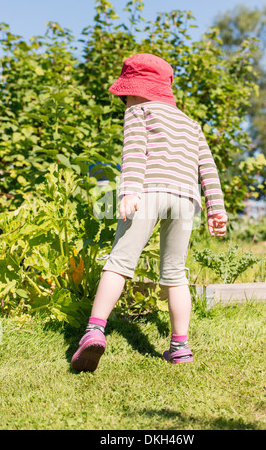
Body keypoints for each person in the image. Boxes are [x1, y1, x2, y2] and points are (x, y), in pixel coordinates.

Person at [71, 53, 227, 372]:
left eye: (125, 91)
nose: (124, 98)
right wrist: (216, 209)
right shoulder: (192, 124)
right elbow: (208, 168)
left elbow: (134, 152)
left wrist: (129, 190)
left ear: (135, 89)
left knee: (119, 262)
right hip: (185, 201)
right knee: (175, 274)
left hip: (149, 192)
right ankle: (180, 347)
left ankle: (94, 331)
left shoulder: (138, 111)